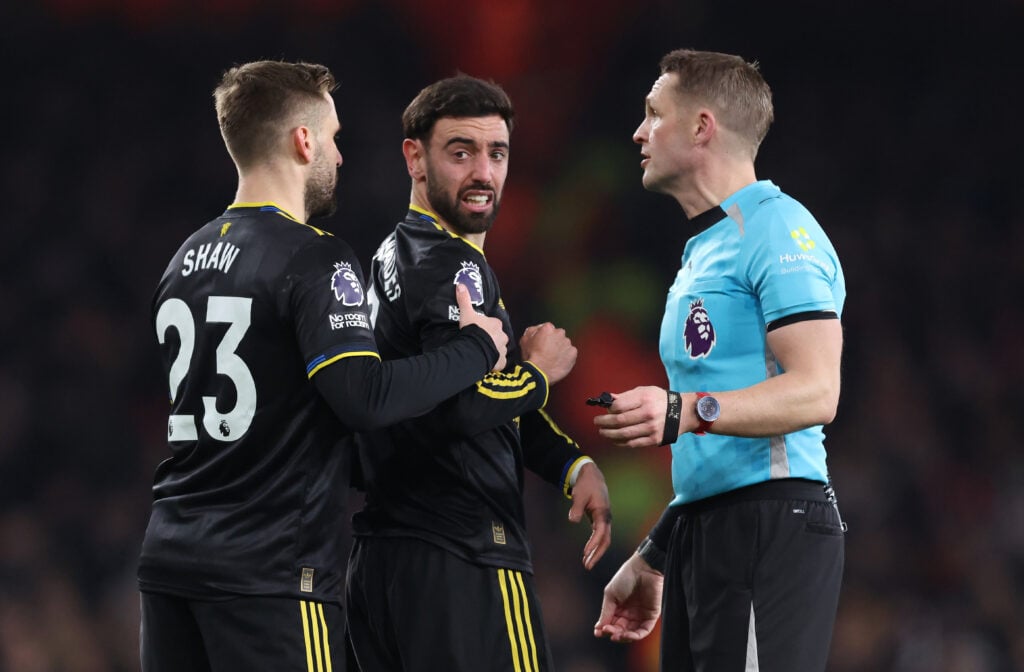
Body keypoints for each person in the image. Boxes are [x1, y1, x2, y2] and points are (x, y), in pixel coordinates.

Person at [138, 60, 513, 672]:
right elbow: (364, 397)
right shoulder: (315, 258)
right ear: (303, 141)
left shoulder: (183, 259)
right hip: (270, 572)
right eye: (334, 138)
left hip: (169, 562)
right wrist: (476, 348)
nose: (340, 156)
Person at [346, 74, 613, 672]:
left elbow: (466, 396)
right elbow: (460, 409)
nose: (483, 173)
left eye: (497, 154)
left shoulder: (392, 256)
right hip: (464, 555)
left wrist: (570, 464)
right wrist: (539, 372)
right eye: (461, 152)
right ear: (414, 158)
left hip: (386, 562)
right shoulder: (454, 264)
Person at [591, 49, 846, 671]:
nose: (639, 132)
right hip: (704, 530)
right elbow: (719, 446)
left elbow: (817, 390)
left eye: (655, 114)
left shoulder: (779, 230)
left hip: (772, 524)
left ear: (702, 126)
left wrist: (685, 409)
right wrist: (658, 550)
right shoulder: (706, 248)